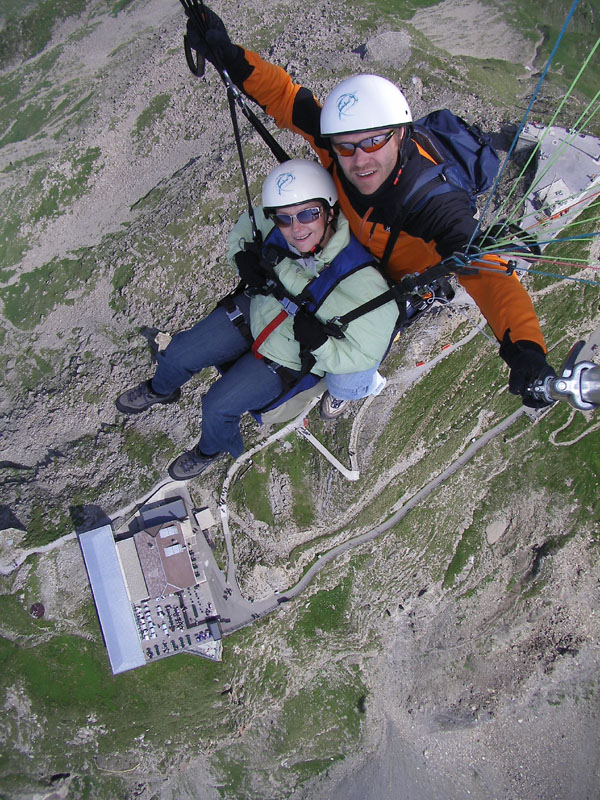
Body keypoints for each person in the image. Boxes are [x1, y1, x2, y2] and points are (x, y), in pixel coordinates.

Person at [184, 6, 556, 406]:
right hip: (342, 256)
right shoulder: (339, 143)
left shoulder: (436, 207)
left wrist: (527, 351)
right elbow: (287, 98)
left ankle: (357, 388)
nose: (360, 160)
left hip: (388, 285)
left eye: (375, 142)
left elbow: (489, 276)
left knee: (345, 380)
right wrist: (232, 58)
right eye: (347, 147)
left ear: (400, 135)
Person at [115, 159, 398, 480]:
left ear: (330, 211)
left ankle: (208, 450)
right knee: (178, 353)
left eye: (308, 214)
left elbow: (365, 355)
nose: (296, 228)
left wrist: (321, 346)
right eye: (285, 219)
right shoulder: (276, 227)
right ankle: (160, 389)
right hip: (257, 311)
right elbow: (243, 231)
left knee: (217, 407)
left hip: (290, 353)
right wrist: (242, 257)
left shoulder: (363, 281)